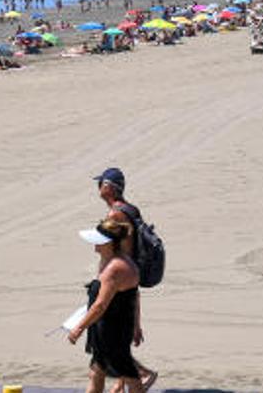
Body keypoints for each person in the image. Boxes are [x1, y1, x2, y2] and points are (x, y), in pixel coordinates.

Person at [92, 167, 157, 390]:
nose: (98, 187)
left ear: (108, 187)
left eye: (100, 183)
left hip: (119, 281)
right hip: (129, 278)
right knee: (117, 339)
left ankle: (141, 373)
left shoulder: (115, 215)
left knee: (109, 340)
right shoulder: (131, 209)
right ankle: (124, 380)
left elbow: (120, 251)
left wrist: (108, 278)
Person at [69, 219, 146, 393]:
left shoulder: (115, 268)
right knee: (97, 372)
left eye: (98, 241)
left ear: (110, 243)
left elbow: (100, 305)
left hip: (112, 331)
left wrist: (79, 328)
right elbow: (135, 297)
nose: (94, 245)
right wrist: (136, 325)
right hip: (108, 326)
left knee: (129, 375)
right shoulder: (113, 260)